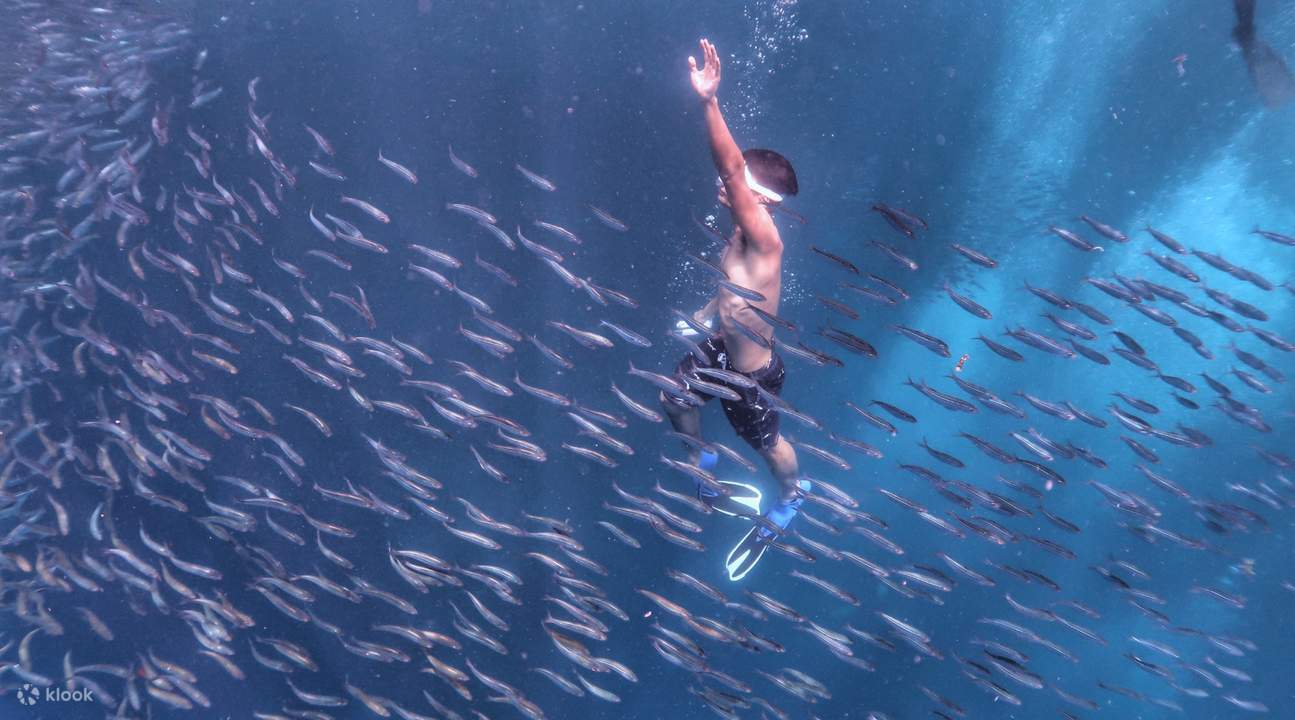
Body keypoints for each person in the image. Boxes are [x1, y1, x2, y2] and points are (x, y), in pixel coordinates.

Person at [660, 38, 807, 581]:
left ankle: (794, 496)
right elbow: (732, 288)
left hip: (752, 379)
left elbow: (726, 165)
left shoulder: (764, 235)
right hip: (722, 352)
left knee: (768, 446)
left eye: (741, 186)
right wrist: (702, 317)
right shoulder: (743, 237)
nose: (728, 189)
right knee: (673, 399)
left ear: (761, 200)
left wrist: (709, 102)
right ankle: (703, 460)